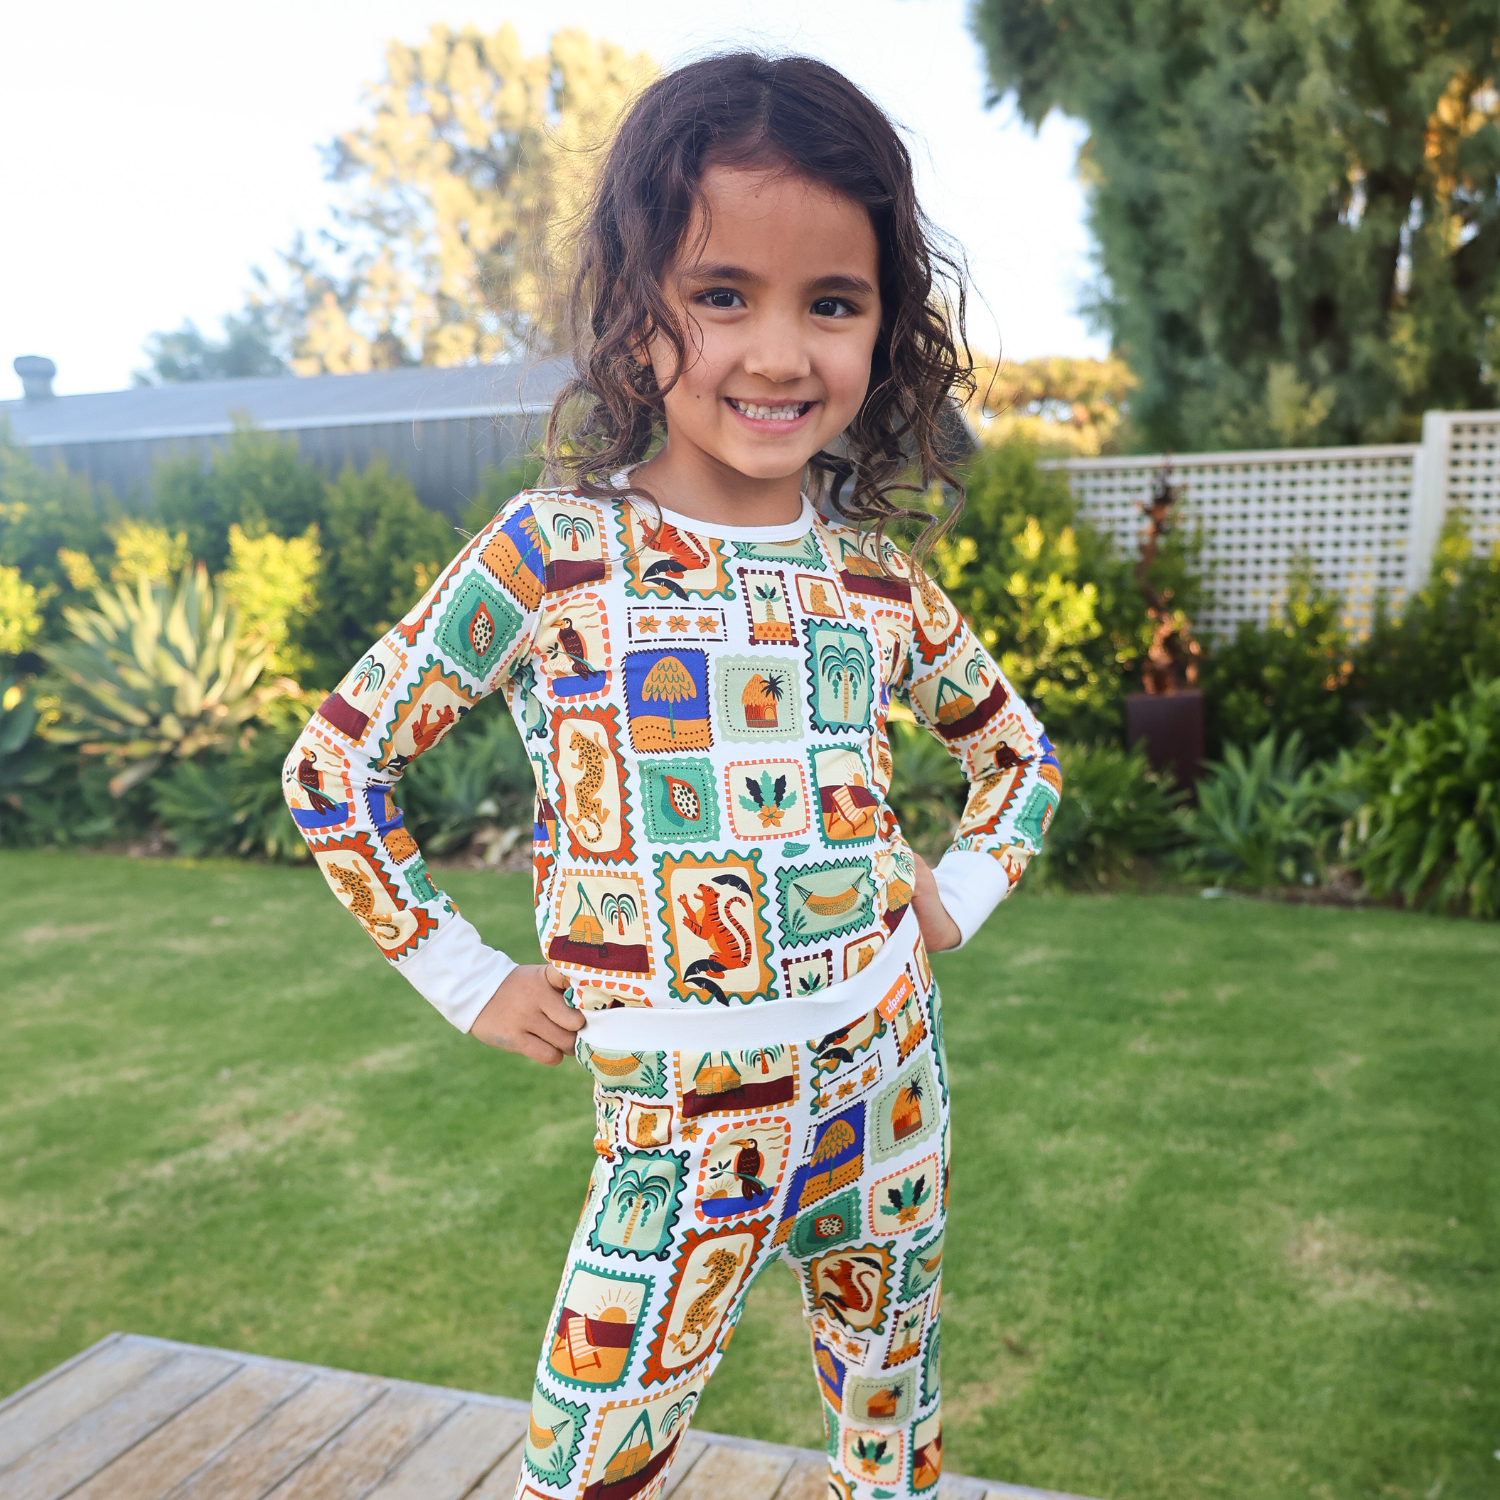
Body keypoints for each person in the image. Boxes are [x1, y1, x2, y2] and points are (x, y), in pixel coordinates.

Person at [283, 52, 1061, 1500]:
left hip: (890, 1084)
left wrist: (954, 896)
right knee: (588, 1465)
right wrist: (466, 978)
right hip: (680, 1117)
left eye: (832, 302)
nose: (778, 352)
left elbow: (1020, 756)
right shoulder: (557, 554)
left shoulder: (876, 580)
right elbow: (337, 764)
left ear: (885, 325)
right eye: (721, 294)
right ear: (635, 312)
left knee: (891, 1433)